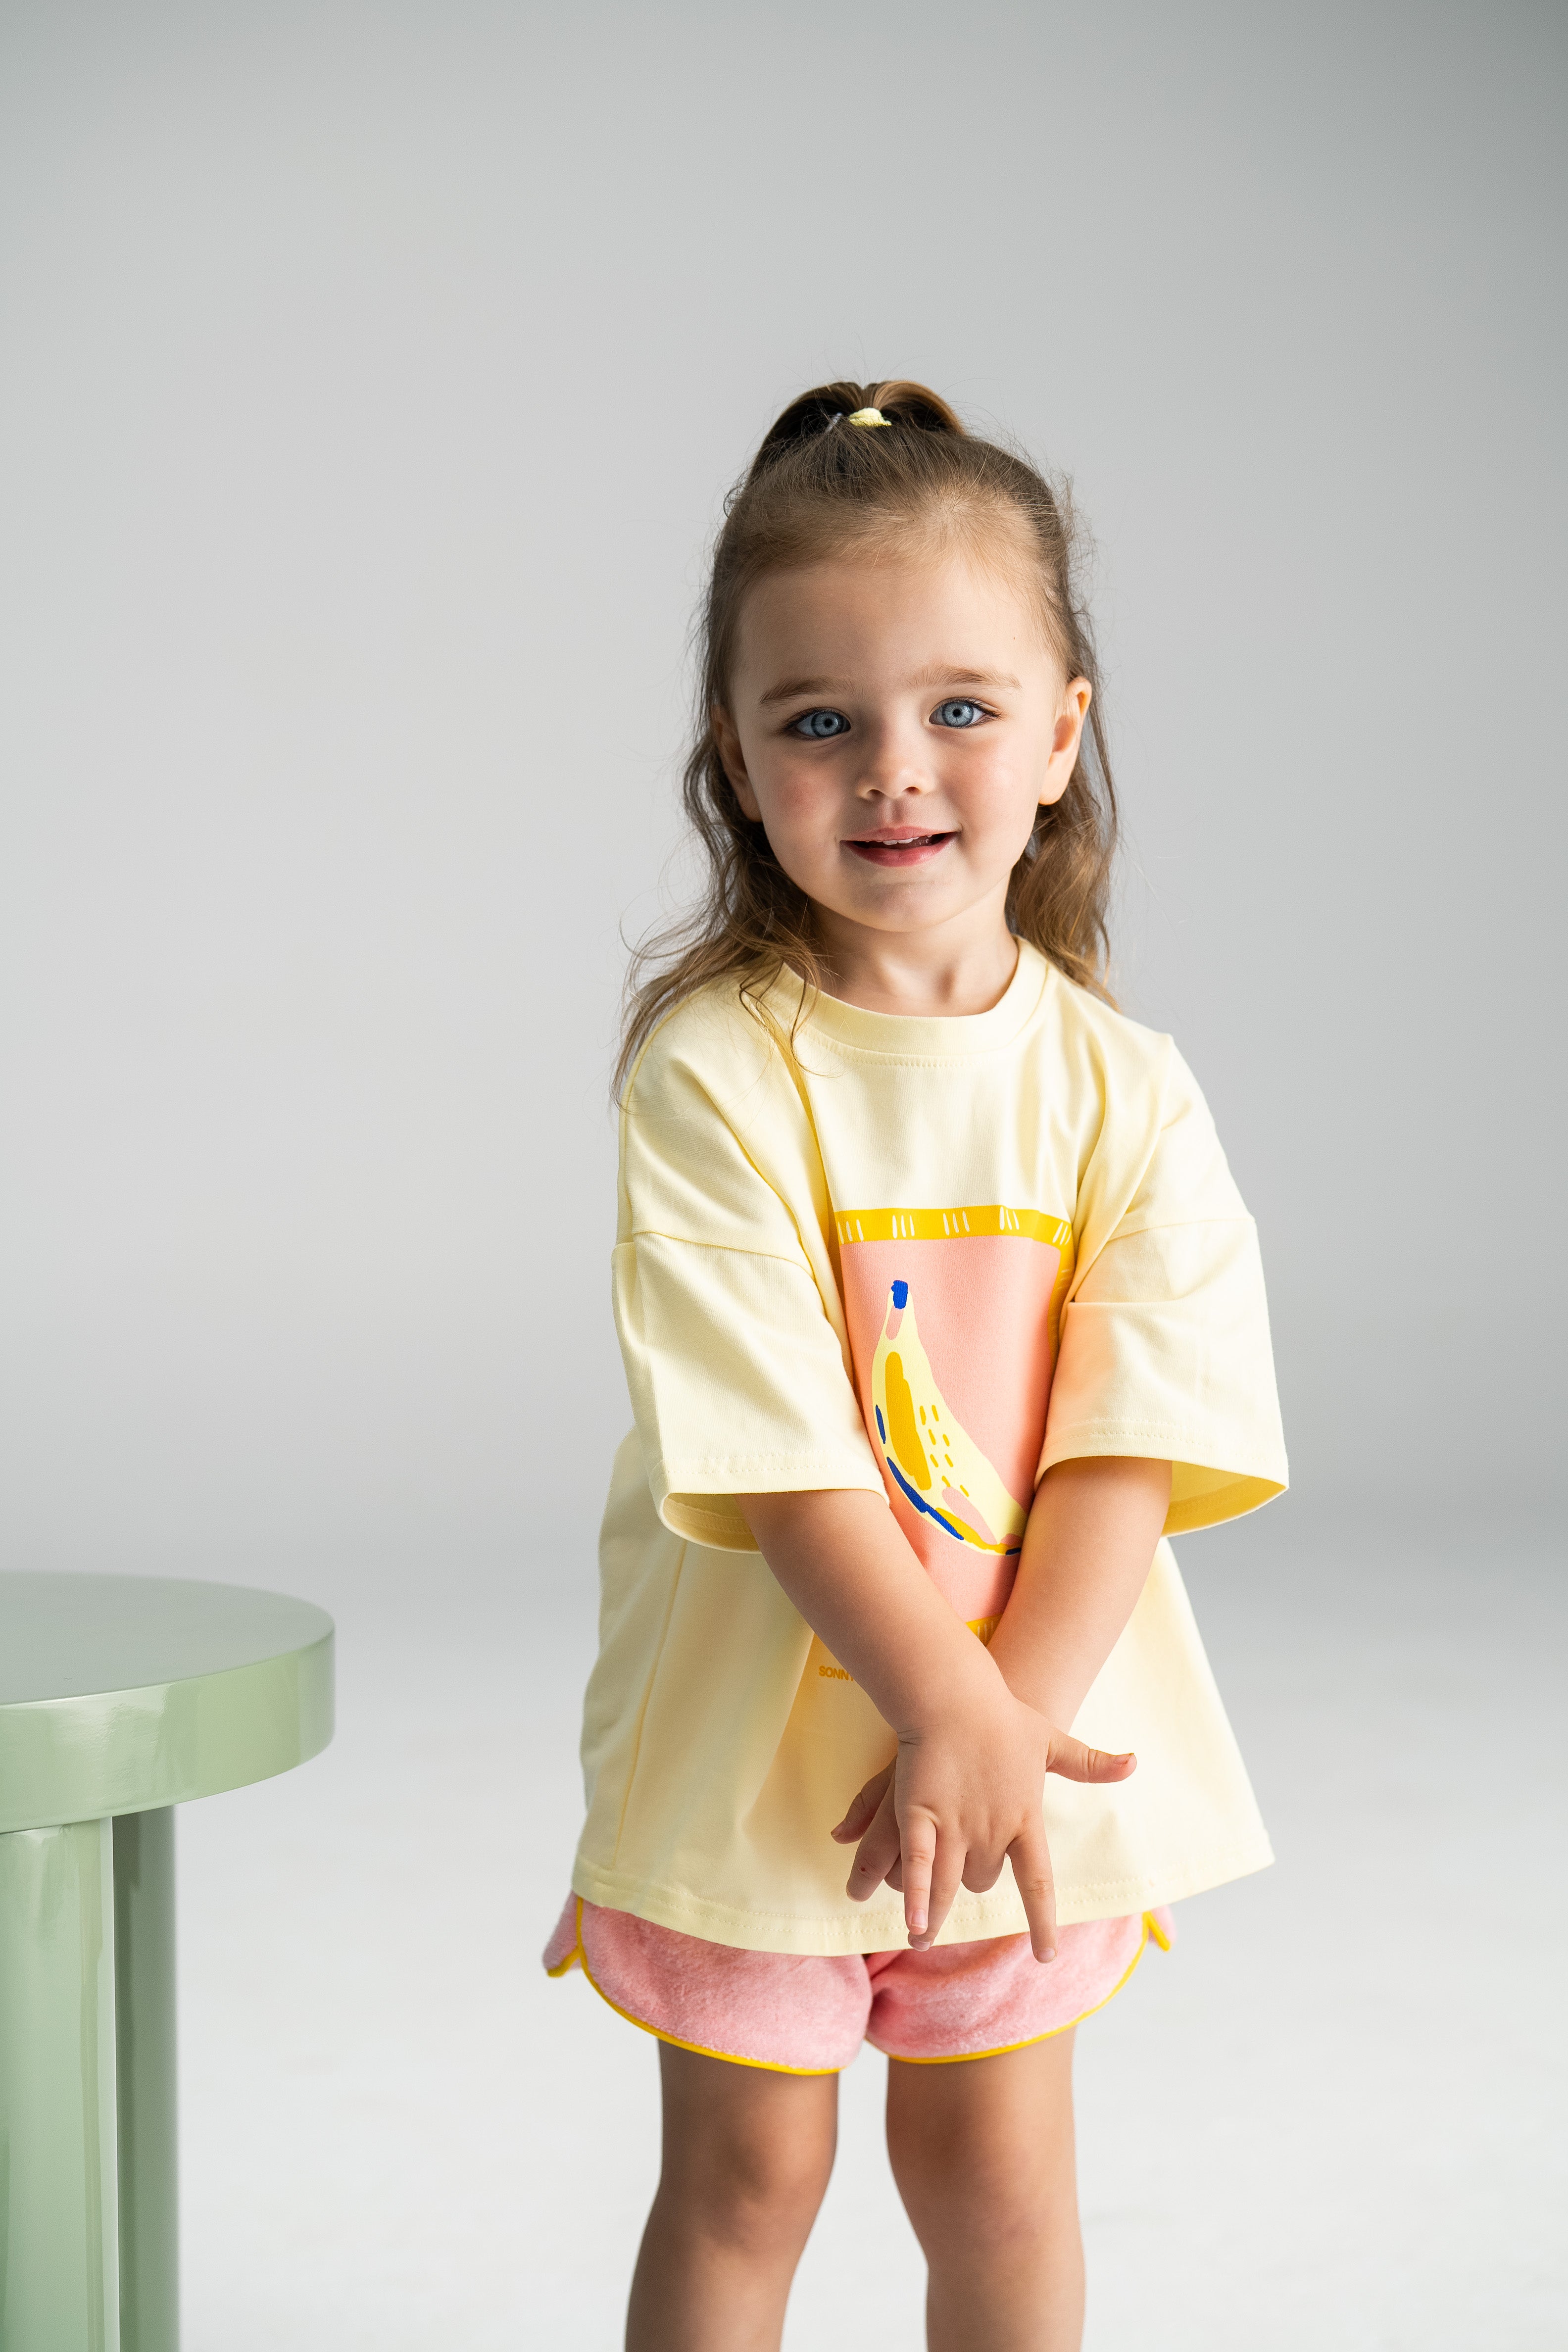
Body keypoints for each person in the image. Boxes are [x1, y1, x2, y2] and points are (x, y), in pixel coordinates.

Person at [542, 380, 1287, 2352]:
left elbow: (1140, 1434)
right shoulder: (718, 1072)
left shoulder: (1123, 1086)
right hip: (761, 1753)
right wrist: (936, 1697)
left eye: (961, 707)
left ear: (1063, 730)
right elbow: (778, 1451)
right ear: (740, 757)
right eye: (821, 722)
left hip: (1022, 1747)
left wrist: (999, 1718)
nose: (896, 769)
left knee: (1000, 2185)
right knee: (746, 2183)